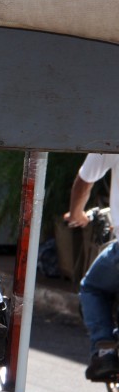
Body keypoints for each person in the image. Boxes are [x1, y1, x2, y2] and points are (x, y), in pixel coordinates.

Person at [64, 153, 119, 380]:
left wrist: (76, 213)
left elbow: (85, 180)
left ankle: (104, 349)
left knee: (91, 287)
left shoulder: (109, 132)